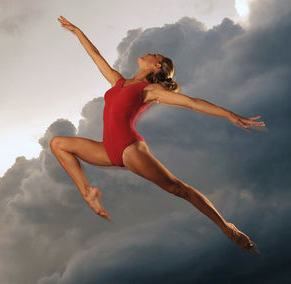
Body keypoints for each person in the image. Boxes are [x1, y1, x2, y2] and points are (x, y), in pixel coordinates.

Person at [50, 16, 264, 253]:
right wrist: (78, 31)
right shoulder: (118, 82)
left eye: (155, 55)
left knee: (177, 189)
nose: (150, 53)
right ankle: (87, 192)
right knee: (58, 143)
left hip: (129, 149)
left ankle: (227, 227)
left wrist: (229, 114)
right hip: (107, 150)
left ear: (156, 67)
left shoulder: (150, 90)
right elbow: (96, 56)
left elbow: (191, 103)